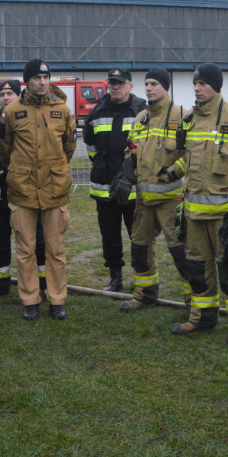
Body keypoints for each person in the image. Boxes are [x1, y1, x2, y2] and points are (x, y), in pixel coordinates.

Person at [169, 63, 228, 346]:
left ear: (216, 86)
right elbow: (185, 159)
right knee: (197, 270)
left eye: (203, 84)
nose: (197, 88)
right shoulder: (189, 120)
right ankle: (202, 317)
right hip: (195, 215)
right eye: (195, 84)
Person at [0, 59, 76, 320]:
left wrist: (56, 168)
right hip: (22, 189)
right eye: (37, 78)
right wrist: (19, 171)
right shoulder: (12, 111)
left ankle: (56, 299)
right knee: (26, 249)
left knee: (55, 248)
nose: (42, 83)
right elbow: (4, 149)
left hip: (54, 190)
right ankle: (30, 299)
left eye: (46, 77)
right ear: (26, 81)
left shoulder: (62, 110)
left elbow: (69, 147)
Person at [120, 67, 189, 312]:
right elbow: (131, 149)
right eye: (146, 84)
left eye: (153, 84)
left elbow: (191, 155)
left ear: (165, 87)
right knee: (139, 251)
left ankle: (196, 302)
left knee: (181, 254)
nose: (148, 88)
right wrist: (128, 167)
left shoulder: (183, 116)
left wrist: (172, 172)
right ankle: (144, 296)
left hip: (171, 200)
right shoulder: (140, 119)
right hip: (143, 201)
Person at [84, 67, 147, 291]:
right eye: (112, 83)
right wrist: (101, 165)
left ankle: (143, 278)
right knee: (109, 237)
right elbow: (90, 146)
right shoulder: (97, 112)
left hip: (133, 188)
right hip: (104, 187)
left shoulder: (142, 110)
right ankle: (116, 277)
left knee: (138, 237)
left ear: (130, 85)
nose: (116, 87)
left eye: (120, 83)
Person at [0, 78, 47, 297]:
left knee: (36, 240)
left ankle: (42, 283)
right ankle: (0, 285)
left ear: (18, 96)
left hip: (25, 193)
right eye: (2, 95)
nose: (5, 98)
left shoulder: (27, 121)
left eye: (9, 94)